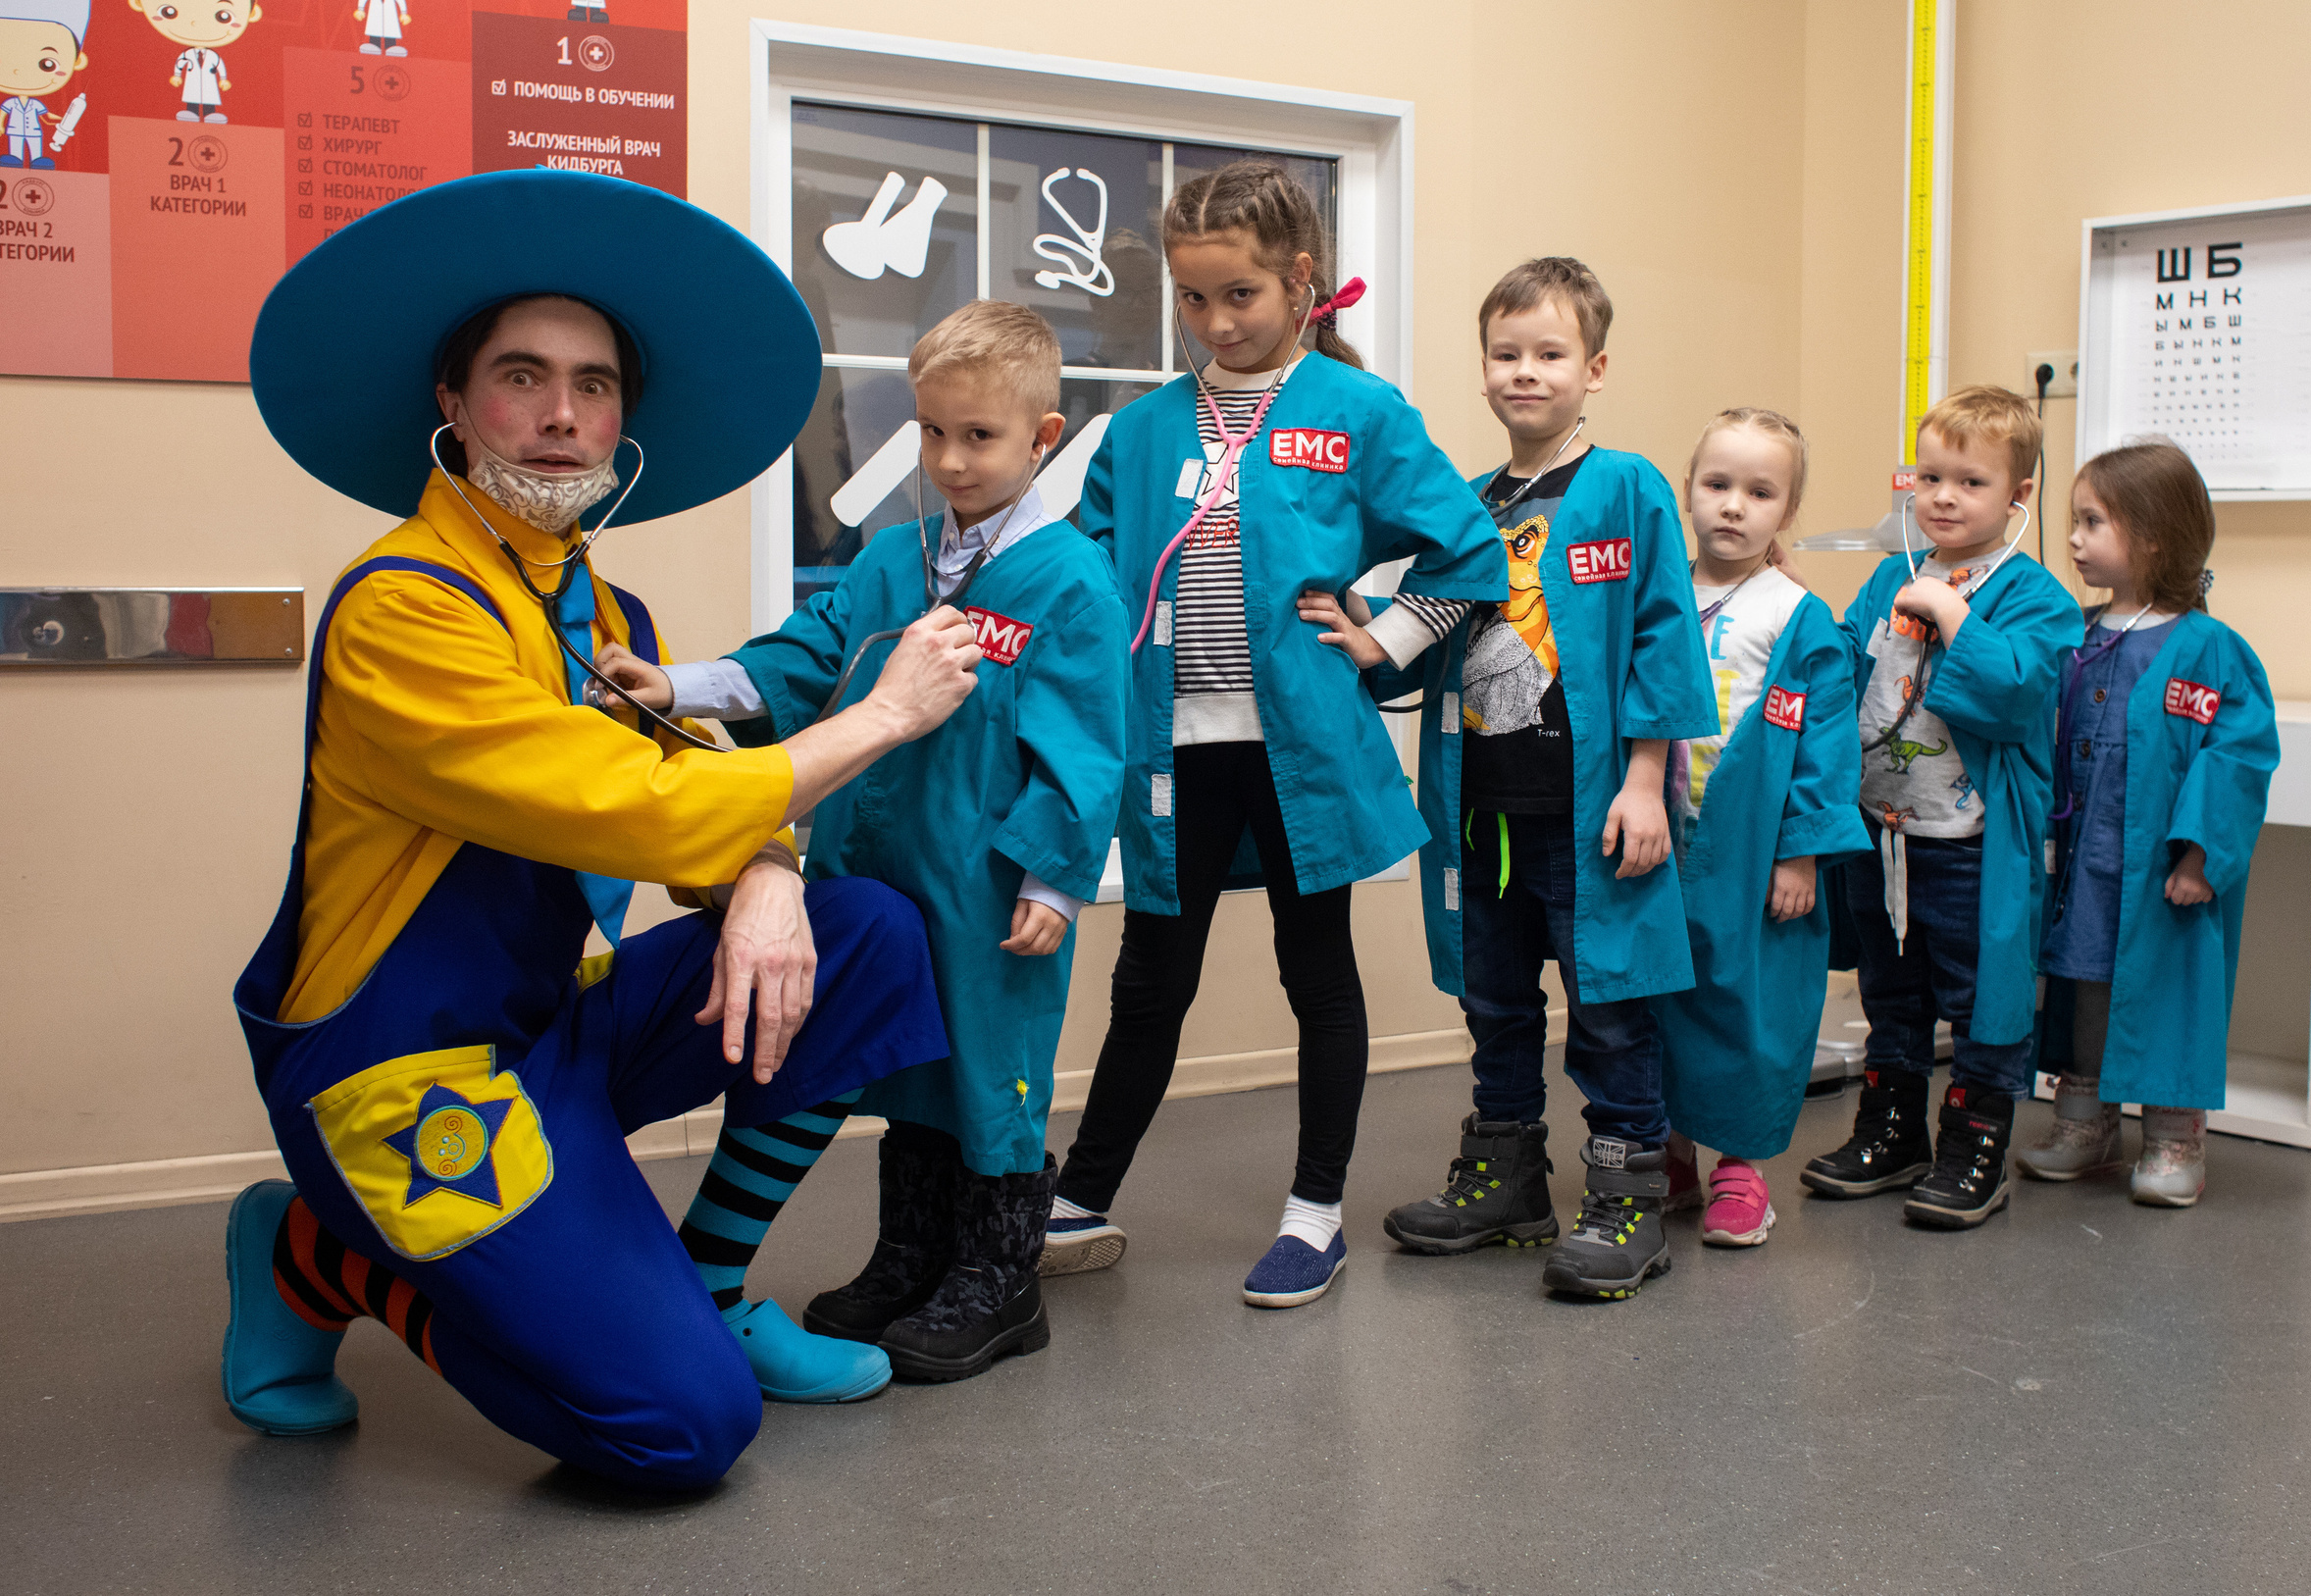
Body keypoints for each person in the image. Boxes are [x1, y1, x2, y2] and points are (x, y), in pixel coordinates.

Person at [222, 169, 984, 1491]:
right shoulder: (404, 611)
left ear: (626, 417)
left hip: (564, 1029)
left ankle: (713, 1281)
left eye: (594, 383)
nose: (564, 414)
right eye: (523, 375)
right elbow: (626, 800)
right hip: (408, 1068)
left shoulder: (613, 617)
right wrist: (881, 715)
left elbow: (699, 777)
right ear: (454, 406)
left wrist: (765, 872)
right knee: (678, 1429)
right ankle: (318, 1253)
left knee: (864, 933)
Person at [601, 300, 1128, 1380]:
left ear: (1043, 437)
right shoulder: (892, 561)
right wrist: (674, 684)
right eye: (932, 432)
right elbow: (799, 658)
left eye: (978, 436)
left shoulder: (1069, 579)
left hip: (989, 886)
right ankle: (911, 1255)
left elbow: (1087, 743)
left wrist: (1056, 881)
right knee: (903, 1059)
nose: (949, 459)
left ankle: (998, 1278)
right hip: (881, 866)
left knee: (991, 1070)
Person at [1044, 159, 1506, 1308]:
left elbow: (1468, 553)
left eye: (1239, 294)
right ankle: (1078, 1194)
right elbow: (1088, 582)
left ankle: (1314, 1212)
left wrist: (1383, 639)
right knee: (1151, 977)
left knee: (1318, 974)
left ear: (1300, 283)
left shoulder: (1357, 411)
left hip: (1296, 745)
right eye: (1193, 299)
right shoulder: (1140, 431)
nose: (1216, 321)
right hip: (1173, 752)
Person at [1373, 257, 1716, 1299]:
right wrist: (1361, 641)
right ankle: (1507, 1176)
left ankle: (1624, 1198)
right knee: (1494, 1000)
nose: (1526, 373)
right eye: (1506, 354)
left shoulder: (1625, 488)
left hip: (1591, 809)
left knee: (1609, 1002)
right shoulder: (1469, 503)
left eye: (1549, 354)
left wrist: (1647, 782)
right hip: (1480, 808)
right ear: (1482, 371)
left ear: (1593, 368)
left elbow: (1661, 636)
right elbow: (1430, 633)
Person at [1799, 386, 2077, 1229]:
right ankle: (1893, 1132)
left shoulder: (2036, 598)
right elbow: (1845, 661)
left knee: (1980, 994)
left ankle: (1974, 1143)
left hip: (1967, 842)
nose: (1945, 497)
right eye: (1931, 478)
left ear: (2019, 496)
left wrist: (1955, 612)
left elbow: (2016, 692)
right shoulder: (1892, 573)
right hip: (1884, 835)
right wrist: (1794, 609)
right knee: (1892, 991)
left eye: (1972, 482)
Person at [2017, 441, 2277, 1207]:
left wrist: (2202, 853)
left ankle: (2173, 1136)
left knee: (2168, 993)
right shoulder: (2074, 638)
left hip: (2162, 870)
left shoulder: (2209, 650)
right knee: (2081, 986)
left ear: (2155, 534)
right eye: (2073, 520)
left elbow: (2237, 754)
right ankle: (2084, 1122)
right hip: (2081, 863)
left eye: (2092, 522)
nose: (2073, 539)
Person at [1653, 408, 1867, 1250]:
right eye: (1717, 485)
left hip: (1755, 848)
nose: (1733, 506)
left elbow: (1827, 743)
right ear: (1688, 492)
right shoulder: (1657, 590)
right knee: (1658, 996)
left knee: (1753, 1002)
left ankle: (1739, 1166)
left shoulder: (1797, 615)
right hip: (1659, 841)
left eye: (1759, 491)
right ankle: (1662, 1147)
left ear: (1787, 510)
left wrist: (1802, 851)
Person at [129, 0, 262, 125]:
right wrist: (176, 76)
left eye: (222, 16)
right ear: (138, 1)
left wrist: (223, 79)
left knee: (209, 97)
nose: (194, 24)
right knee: (191, 96)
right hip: (191, 82)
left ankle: (209, 114)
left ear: (252, 13)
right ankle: (191, 112)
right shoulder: (188, 55)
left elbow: (220, 67)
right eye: (169, 11)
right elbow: (180, 65)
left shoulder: (213, 57)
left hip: (209, 83)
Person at [0, 0, 88, 171]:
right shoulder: (11, 102)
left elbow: (47, 116)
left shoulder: (36, 104)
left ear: (77, 61)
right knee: (14, 150)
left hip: (34, 132)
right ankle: (13, 158)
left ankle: (37, 161)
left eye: (46, 64)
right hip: (13, 130)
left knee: (36, 149)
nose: (17, 72)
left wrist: (62, 120)